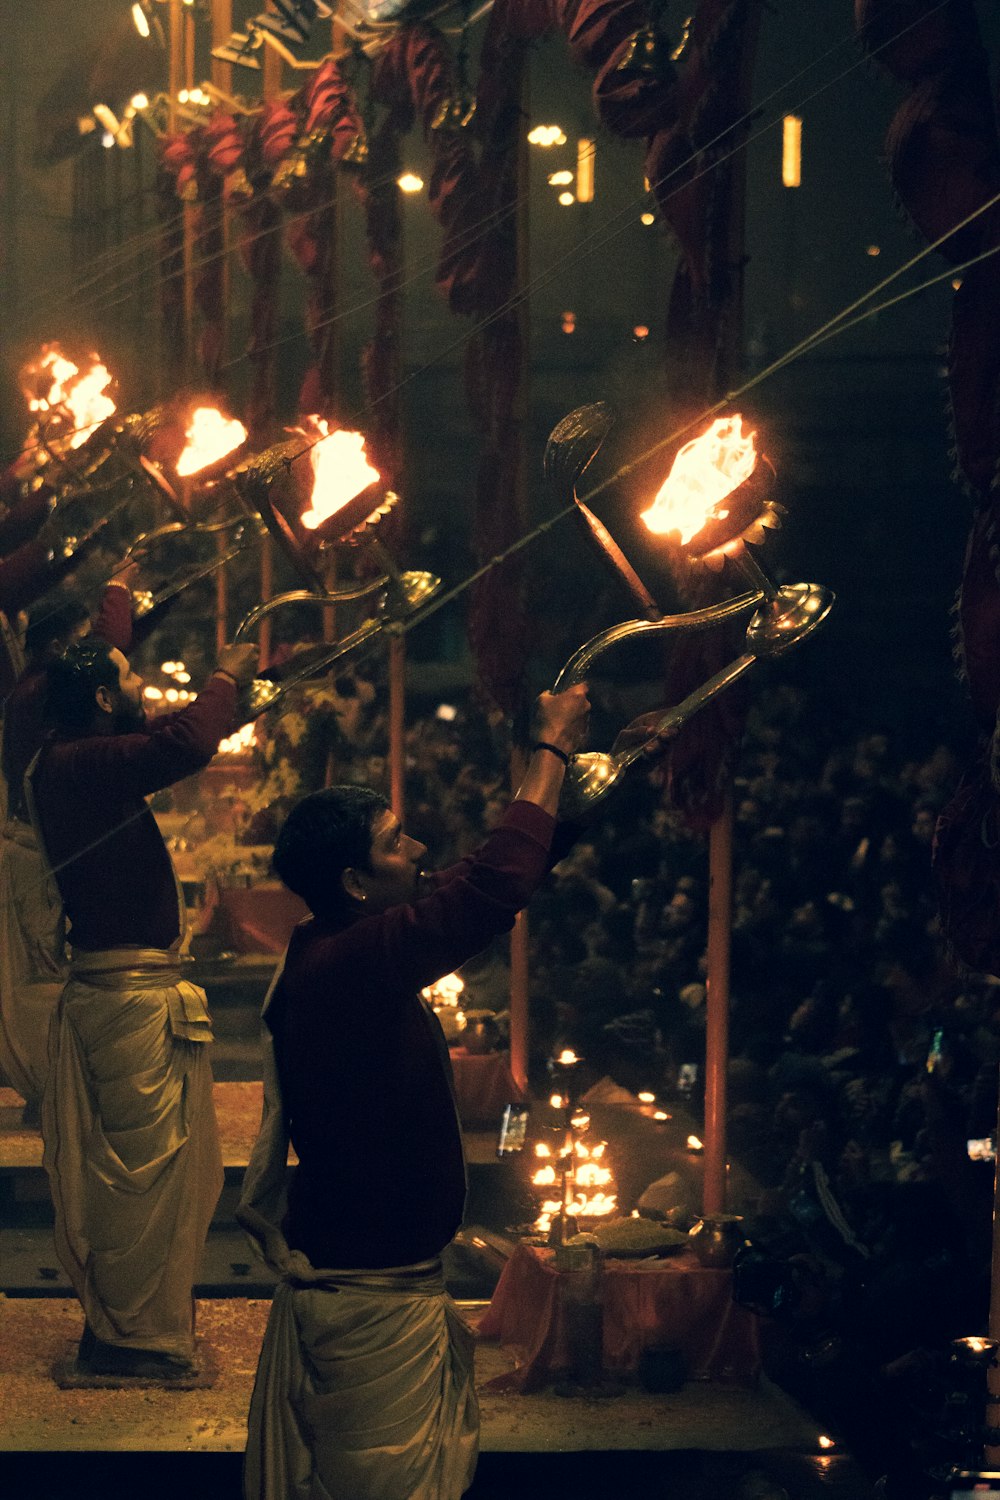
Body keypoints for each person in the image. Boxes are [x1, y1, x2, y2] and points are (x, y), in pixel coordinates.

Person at [237, 683, 590, 1500]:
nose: (421, 846)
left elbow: (473, 883)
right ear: (358, 882)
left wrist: (561, 790)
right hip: (370, 1299)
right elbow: (479, 894)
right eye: (398, 843)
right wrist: (552, 751)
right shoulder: (351, 961)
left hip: (379, 1282)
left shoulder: (341, 939)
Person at [29, 632, 258, 1380]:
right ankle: (135, 1339)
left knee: (151, 1175)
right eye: (128, 680)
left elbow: (167, 735)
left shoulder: (70, 759)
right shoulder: (77, 763)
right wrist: (225, 674)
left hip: (125, 989)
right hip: (125, 998)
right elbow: (183, 743)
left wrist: (245, 683)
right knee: (141, 1182)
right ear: (101, 700)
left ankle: (134, 1329)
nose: (138, 691)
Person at [0, 569, 135, 1117]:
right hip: (33, 853)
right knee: (42, 982)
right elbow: (109, 651)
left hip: (38, 850)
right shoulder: (40, 691)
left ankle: (58, 1089)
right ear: (57, 646)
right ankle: (53, 1090)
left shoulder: (38, 686)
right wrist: (119, 590)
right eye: (78, 642)